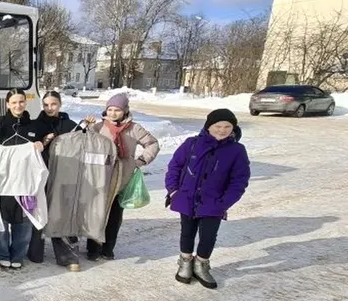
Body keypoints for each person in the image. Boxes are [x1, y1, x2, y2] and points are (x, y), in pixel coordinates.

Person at [165, 108, 251, 289]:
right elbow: (175, 166)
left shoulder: (236, 150)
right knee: (187, 232)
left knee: (208, 236)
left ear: (233, 129)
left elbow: (239, 180)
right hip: (187, 198)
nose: (222, 130)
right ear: (208, 126)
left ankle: (201, 265)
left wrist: (224, 202)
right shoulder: (192, 144)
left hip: (214, 202)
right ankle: (185, 262)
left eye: (227, 127)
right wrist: (173, 191)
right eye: (218, 126)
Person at [85, 93, 159, 261]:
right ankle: (93, 248)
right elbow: (85, 142)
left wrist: (140, 161)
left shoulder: (134, 129)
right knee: (96, 214)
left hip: (122, 178)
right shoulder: (99, 127)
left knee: (115, 216)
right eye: (110, 109)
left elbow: (152, 144)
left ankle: (108, 248)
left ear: (125, 110)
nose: (112, 113)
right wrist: (87, 127)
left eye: (117, 110)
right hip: (100, 178)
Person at [0, 89, 44, 269]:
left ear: (25, 102)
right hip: (4, 182)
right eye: (14, 102)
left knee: (23, 221)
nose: (18, 105)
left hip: (26, 183)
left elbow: (41, 149)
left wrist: (41, 145)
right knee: (3, 219)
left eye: (21, 101)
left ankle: (18, 254)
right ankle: (3, 253)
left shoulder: (32, 126)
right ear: (7, 104)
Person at [30, 91, 95, 271]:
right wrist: (42, 142)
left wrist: (88, 128)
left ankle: (67, 255)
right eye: (46, 105)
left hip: (64, 175)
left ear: (60, 104)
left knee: (63, 213)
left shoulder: (69, 124)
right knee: (38, 211)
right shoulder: (36, 125)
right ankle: (35, 252)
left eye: (53, 104)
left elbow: (84, 143)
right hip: (41, 174)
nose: (49, 108)